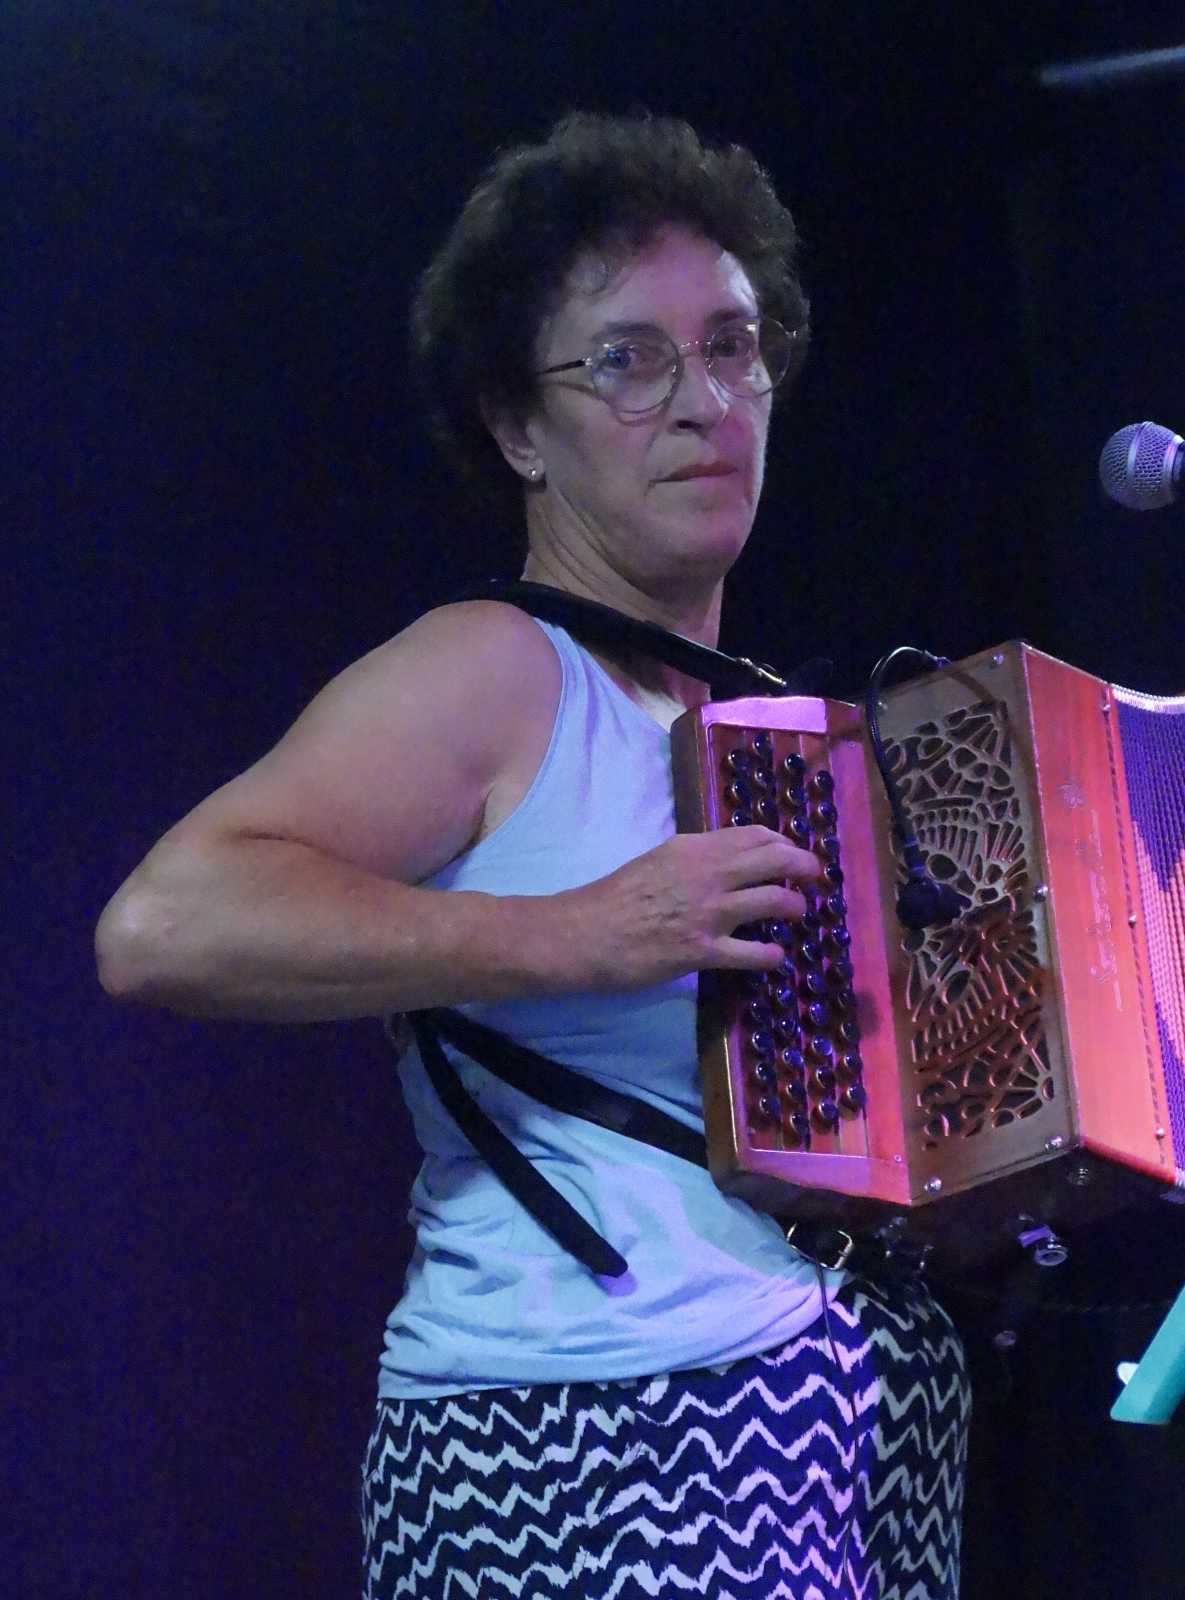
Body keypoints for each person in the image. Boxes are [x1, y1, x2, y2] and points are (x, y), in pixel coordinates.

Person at [96, 112, 969, 1600]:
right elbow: (165, 924)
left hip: (829, 1411)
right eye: (629, 361)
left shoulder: (756, 720)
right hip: (581, 1428)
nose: (704, 403)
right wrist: (576, 932)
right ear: (518, 428)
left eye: (733, 346)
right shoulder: (498, 666)